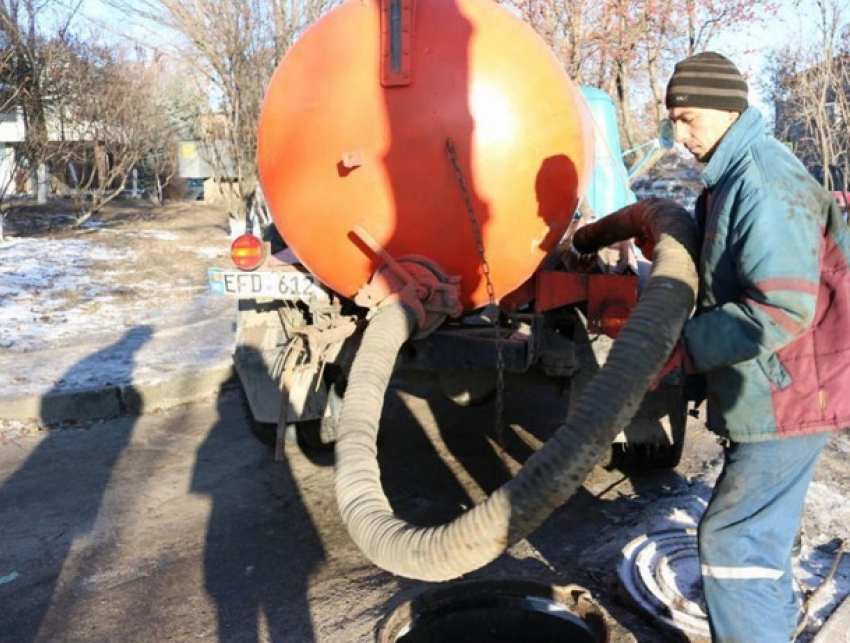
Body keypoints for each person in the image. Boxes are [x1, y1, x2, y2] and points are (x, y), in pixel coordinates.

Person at [658, 51, 850, 642]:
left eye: (688, 118)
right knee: (755, 539)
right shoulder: (734, 175)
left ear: (726, 108)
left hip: (790, 394)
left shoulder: (761, 183)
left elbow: (779, 307)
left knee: (733, 540)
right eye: (674, 121)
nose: (679, 135)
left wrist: (683, 348)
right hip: (792, 385)